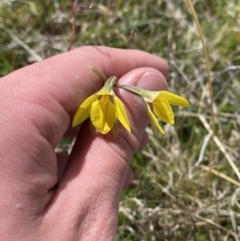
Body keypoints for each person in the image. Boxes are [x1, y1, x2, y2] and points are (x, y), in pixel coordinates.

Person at [0, 46, 168, 240]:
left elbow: (90, 116)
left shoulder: (110, 103)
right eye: (103, 99)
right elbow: (85, 115)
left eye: (106, 99)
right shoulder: (104, 100)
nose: (105, 101)